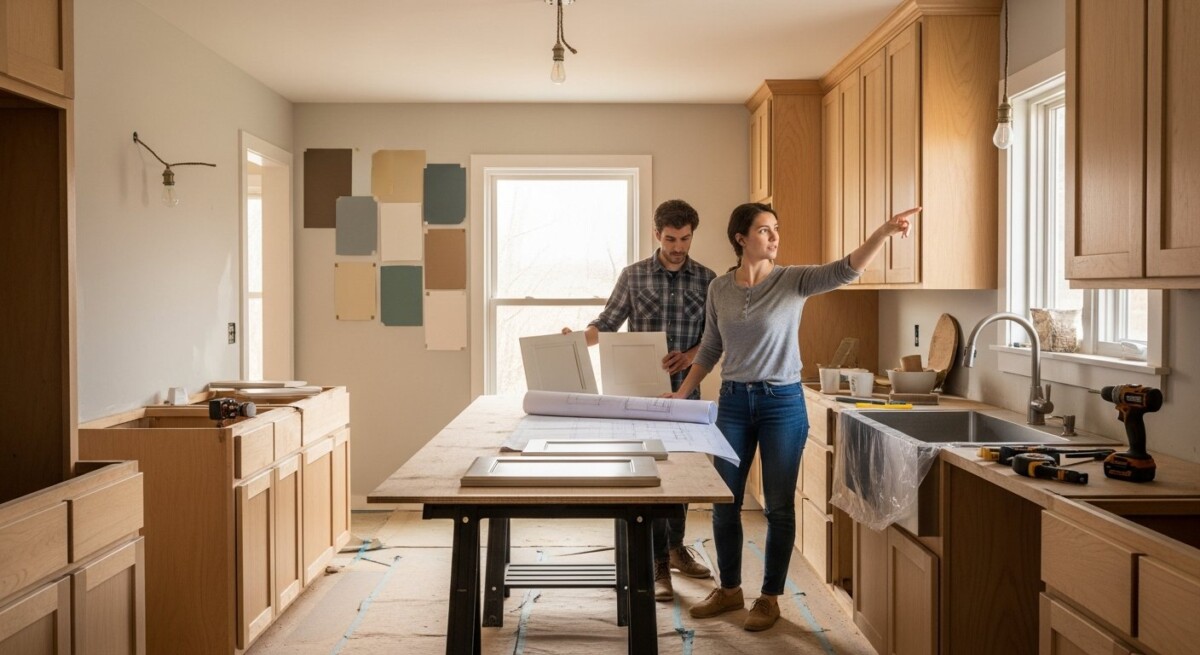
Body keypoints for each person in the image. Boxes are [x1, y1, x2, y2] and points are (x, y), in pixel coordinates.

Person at [668, 201, 920, 631]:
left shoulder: (793, 280)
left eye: (776, 229)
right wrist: (682, 394)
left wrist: (881, 233)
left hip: (781, 402)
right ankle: (730, 590)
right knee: (723, 501)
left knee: (779, 507)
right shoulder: (720, 290)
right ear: (741, 238)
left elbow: (845, 269)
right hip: (731, 402)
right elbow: (710, 347)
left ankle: (769, 598)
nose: (774, 237)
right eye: (765, 230)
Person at [563, 198, 717, 602]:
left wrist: (690, 354)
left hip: (685, 390)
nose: (679, 246)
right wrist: (575, 340)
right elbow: (606, 324)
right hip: (637, 394)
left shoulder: (707, 279)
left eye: (685, 239)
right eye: (671, 238)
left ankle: (675, 548)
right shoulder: (633, 276)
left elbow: (716, 340)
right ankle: (657, 564)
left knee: (682, 476)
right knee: (650, 477)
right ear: (656, 233)